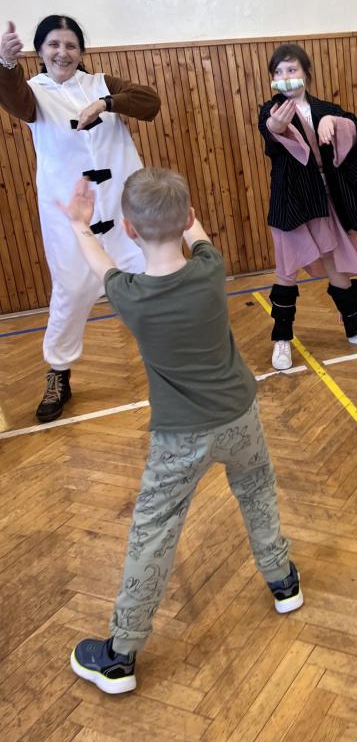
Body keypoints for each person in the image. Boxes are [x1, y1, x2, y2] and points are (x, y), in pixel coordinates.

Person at [58, 168, 301, 695]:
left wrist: (79, 224)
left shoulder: (130, 295)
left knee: (154, 530)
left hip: (179, 438)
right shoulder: (211, 268)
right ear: (189, 216)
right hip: (240, 416)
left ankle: (120, 654)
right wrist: (184, 215)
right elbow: (198, 236)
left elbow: (100, 264)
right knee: (257, 490)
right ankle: (282, 580)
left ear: (129, 230)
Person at [0, 15, 160, 422]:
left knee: (151, 285)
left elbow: (150, 102)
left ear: (81, 51)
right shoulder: (34, 92)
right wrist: (5, 64)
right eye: (53, 44)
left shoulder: (102, 83)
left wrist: (106, 103)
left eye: (70, 45)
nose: (62, 52)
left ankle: (173, 361)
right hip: (71, 217)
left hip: (123, 212)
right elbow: (14, 100)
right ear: (40, 51)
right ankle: (59, 372)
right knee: (70, 294)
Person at [258, 43, 357, 371]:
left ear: (305, 73)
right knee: (286, 270)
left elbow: (355, 128)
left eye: (292, 69)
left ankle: (356, 327)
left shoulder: (326, 108)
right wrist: (276, 126)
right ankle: (282, 338)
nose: (285, 76)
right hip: (291, 201)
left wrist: (334, 121)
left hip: (324, 200)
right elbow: (270, 131)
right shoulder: (272, 110)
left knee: (335, 263)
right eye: (278, 72)